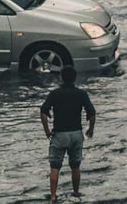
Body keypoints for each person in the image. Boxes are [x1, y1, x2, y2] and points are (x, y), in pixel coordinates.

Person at [40, 66, 96, 202]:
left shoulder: (54, 94)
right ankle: (76, 193)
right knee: (75, 166)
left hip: (60, 134)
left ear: (61, 78)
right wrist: (91, 129)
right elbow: (92, 113)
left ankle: (53, 196)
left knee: (55, 166)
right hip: (76, 133)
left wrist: (47, 130)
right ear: (74, 78)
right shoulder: (81, 94)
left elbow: (43, 112)